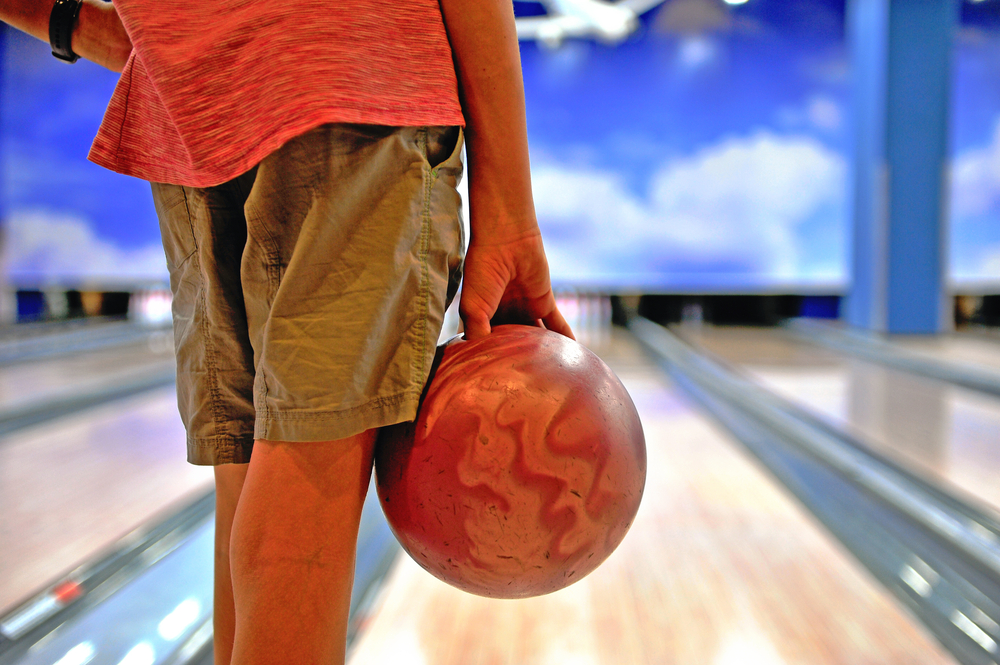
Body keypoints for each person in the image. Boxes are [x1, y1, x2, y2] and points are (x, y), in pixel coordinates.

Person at [0, 0, 572, 662]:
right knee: (302, 494)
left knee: (249, 489)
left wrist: (92, 23)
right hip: (356, 71)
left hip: (187, 110)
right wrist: (510, 213)